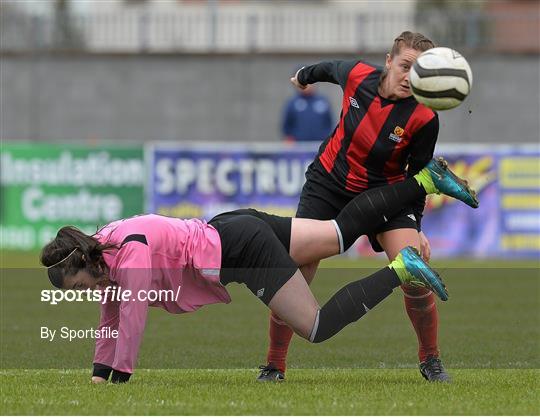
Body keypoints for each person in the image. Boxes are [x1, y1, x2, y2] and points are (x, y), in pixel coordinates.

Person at [40, 158, 478, 384]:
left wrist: (117, 380)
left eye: (78, 285)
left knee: (317, 326)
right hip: (231, 225)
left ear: (83, 263)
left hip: (241, 248)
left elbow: (130, 320)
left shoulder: (130, 258)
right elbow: (110, 314)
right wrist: (99, 370)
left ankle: (402, 267)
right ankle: (423, 181)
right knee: (341, 232)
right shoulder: (104, 247)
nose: (83, 292)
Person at [259, 31, 454, 383]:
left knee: (414, 270)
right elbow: (329, 68)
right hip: (329, 186)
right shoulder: (358, 75)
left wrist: (418, 226)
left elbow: (419, 176)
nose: (411, 77)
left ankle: (431, 360)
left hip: (387, 194)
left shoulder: (425, 117)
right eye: (406, 66)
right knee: (295, 273)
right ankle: (274, 365)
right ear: (389, 61)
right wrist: (304, 75)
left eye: (421, 71)